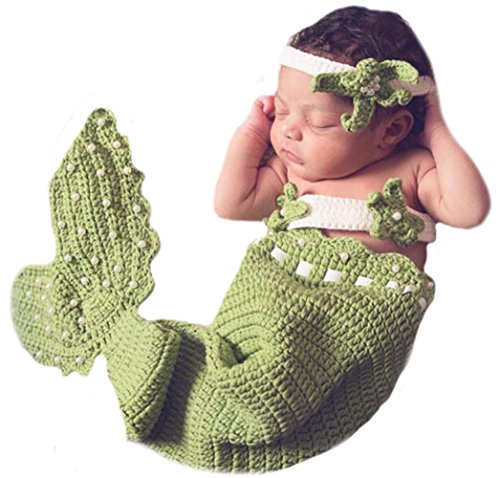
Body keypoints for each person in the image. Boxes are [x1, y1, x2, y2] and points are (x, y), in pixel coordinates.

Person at [214, 6, 490, 270]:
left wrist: (436, 132)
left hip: (373, 299)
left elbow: (467, 211)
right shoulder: (289, 173)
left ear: (391, 130)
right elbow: (232, 204)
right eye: (282, 110)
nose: (288, 130)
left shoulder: (412, 170)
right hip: (282, 295)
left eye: (319, 123)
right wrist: (254, 130)